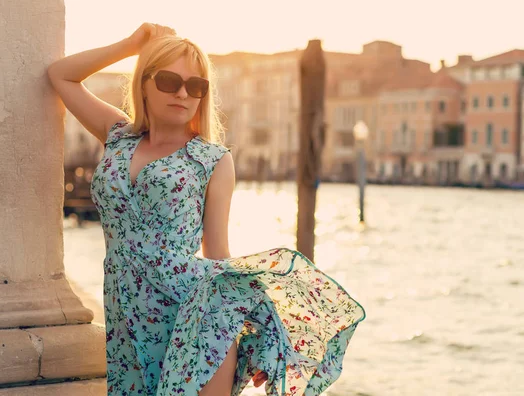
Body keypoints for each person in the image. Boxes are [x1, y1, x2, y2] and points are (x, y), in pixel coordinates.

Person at [47, 23, 365, 396]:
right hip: (126, 316)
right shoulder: (118, 134)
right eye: (169, 80)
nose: (183, 93)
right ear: (145, 82)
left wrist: (263, 330)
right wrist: (133, 44)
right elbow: (61, 76)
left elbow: (218, 255)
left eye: (196, 87)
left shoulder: (211, 160)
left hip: (197, 316)